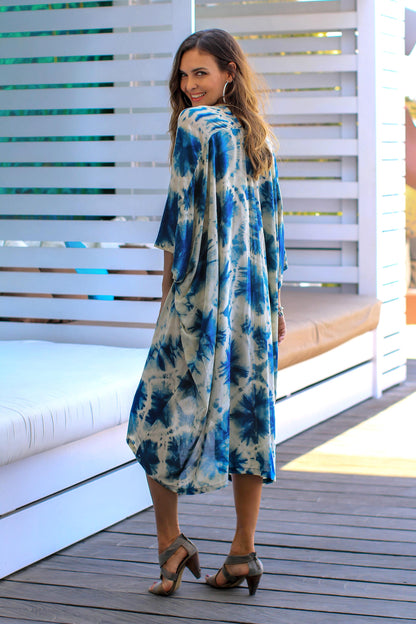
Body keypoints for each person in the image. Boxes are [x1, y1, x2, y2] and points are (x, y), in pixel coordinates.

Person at [126, 28, 287, 597]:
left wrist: (167, 295)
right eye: (184, 74)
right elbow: (274, 231)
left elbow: (179, 219)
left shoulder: (193, 126)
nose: (191, 85)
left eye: (201, 73)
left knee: (153, 415)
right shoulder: (258, 135)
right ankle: (242, 552)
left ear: (228, 74)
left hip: (200, 297)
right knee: (250, 417)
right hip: (253, 302)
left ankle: (170, 543)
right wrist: (276, 304)